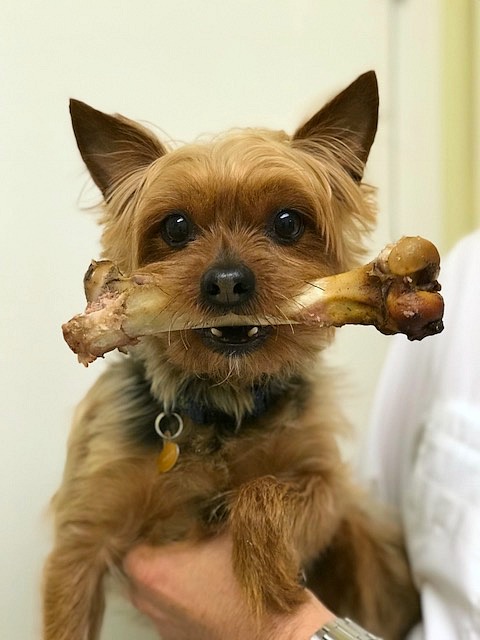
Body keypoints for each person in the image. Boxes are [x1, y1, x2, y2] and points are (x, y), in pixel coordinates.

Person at [124, 230, 480, 639]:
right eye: (177, 229)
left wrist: (288, 630)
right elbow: (380, 506)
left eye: (286, 225)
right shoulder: (468, 270)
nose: (228, 279)